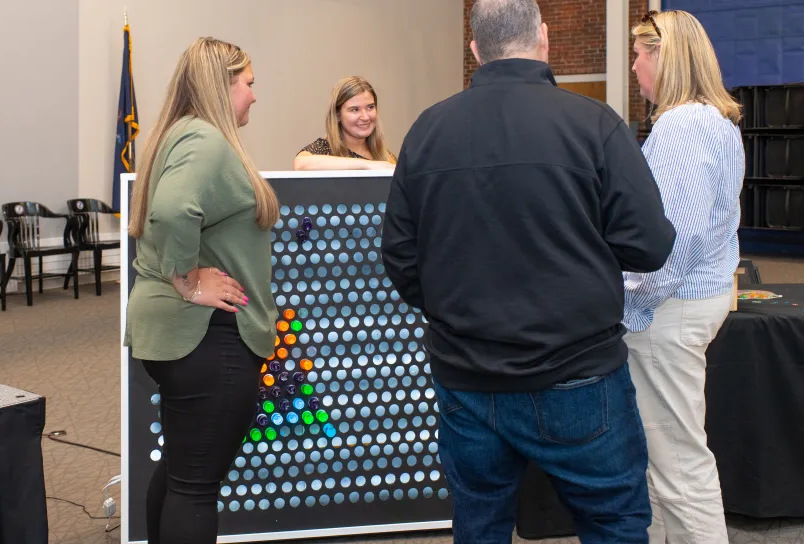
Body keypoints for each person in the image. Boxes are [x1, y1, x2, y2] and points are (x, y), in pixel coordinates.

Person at [381, 0, 677, 541]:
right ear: (544, 38)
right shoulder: (595, 125)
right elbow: (650, 246)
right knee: (614, 521)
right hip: (579, 373)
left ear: (475, 51)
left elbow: (401, 254)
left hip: (467, 377)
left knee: (479, 522)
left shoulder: (427, 131)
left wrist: (454, 308)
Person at [123, 37, 279, 544]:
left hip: (183, 338)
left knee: (181, 472)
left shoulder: (181, 134)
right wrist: (187, 282)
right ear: (223, 84)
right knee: (195, 486)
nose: (254, 95)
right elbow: (171, 212)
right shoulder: (206, 141)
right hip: (207, 338)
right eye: (249, 84)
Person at [625, 10, 745, 543]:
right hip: (695, 300)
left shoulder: (682, 126)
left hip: (667, 312)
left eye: (639, 54)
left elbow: (676, 239)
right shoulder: (714, 120)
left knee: (677, 465)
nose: (633, 67)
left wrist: (633, 300)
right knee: (664, 458)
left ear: (664, 57)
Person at [293, 76, 397, 170]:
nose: (365, 117)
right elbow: (300, 165)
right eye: (355, 110)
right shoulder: (323, 149)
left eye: (370, 107)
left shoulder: (387, 157)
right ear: (337, 114)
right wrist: (365, 165)